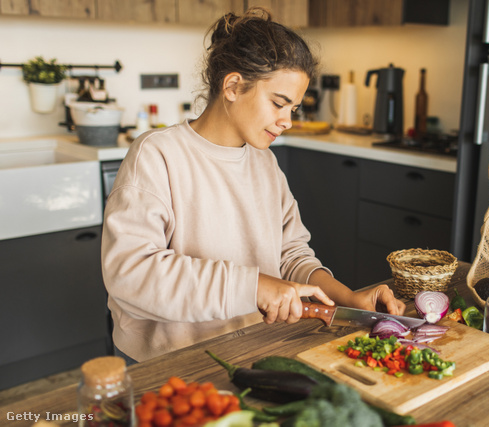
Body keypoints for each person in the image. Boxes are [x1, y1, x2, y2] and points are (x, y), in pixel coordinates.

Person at [101, 7, 406, 364]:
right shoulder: (157, 156)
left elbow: (290, 254)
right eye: (279, 103)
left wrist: (345, 298)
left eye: (293, 108)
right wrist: (255, 286)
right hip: (170, 363)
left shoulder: (265, 163)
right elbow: (131, 272)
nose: (287, 121)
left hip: (252, 349)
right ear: (232, 86)